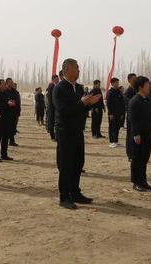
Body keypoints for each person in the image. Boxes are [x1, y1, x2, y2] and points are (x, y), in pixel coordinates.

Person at [53, 58, 101, 209]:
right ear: (67, 70)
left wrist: (89, 104)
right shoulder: (60, 88)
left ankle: (75, 192)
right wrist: (83, 103)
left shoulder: (79, 88)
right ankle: (64, 197)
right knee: (66, 164)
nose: (79, 71)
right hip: (65, 131)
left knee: (78, 163)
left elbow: (79, 109)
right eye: (76, 68)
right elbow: (64, 111)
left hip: (78, 130)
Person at [129, 76, 151, 192]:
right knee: (137, 159)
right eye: (147, 85)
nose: (149, 87)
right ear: (141, 87)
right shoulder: (135, 100)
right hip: (139, 135)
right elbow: (133, 119)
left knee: (144, 158)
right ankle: (136, 182)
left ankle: (143, 181)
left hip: (147, 133)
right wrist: (136, 134)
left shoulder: (147, 99)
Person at [0, 79, 14, 162]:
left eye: (5, 84)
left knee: (6, 137)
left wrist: (10, 102)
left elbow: (7, 103)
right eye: (3, 84)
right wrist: (7, 104)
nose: (5, 85)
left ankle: (4, 154)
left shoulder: (6, 93)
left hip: (7, 118)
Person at [106, 77, 125, 148]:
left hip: (119, 113)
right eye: (116, 83)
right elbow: (109, 104)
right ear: (112, 83)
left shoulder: (119, 92)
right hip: (112, 114)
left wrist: (122, 113)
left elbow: (122, 103)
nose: (117, 84)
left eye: (118, 83)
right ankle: (111, 142)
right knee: (112, 127)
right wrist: (110, 113)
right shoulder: (110, 92)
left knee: (117, 127)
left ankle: (116, 141)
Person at [123, 73, 138, 161]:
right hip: (131, 117)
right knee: (130, 136)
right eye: (134, 79)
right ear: (129, 80)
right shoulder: (127, 92)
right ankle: (130, 154)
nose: (135, 81)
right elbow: (129, 104)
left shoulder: (137, 90)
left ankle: (135, 153)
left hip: (138, 117)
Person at [6, 78, 21, 146]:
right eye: (10, 82)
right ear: (7, 83)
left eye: (12, 82)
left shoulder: (15, 92)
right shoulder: (4, 92)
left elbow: (18, 102)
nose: (11, 83)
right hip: (7, 112)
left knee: (13, 127)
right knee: (8, 127)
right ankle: (8, 140)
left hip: (15, 112)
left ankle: (12, 140)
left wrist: (18, 111)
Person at [45, 74, 60, 140]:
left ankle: (56, 136)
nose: (58, 80)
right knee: (51, 121)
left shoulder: (58, 86)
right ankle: (52, 136)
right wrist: (54, 105)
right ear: (53, 79)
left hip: (57, 107)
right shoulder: (51, 86)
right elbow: (50, 98)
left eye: (58, 79)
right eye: (56, 79)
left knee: (56, 122)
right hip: (52, 107)